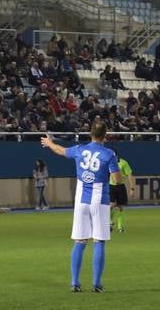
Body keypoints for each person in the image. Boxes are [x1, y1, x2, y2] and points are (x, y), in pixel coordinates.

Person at [40, 121, 122, 293]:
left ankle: (75, 283)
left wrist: (49, 143)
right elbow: (117, 178)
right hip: (99, 200)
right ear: (105, 135)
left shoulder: (79, 149)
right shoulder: (109, 154)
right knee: (99, 241)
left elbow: (61, 151)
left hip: (81, 201)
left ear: (90, 133)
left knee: (80, 241)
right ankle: (96, 284)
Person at [111, 155, 134, 233]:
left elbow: (129, 175)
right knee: (110, 205)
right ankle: (110, 223)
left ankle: (120, 227)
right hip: (110, 186)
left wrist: (132, 188)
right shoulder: (107, 162)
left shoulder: (123, 163)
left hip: (120, 186)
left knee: (120, 207)